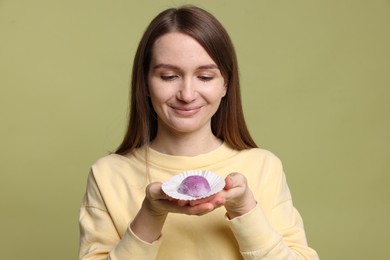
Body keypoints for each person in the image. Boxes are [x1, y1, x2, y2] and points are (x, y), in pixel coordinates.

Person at [79, 5, 319, 260]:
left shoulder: (263, 167)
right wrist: (150, 214)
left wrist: (245, 209)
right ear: (146, 83)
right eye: (169, 76)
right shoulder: (108, 176)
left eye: (205, 77)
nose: (187, 94)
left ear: (225, 84)